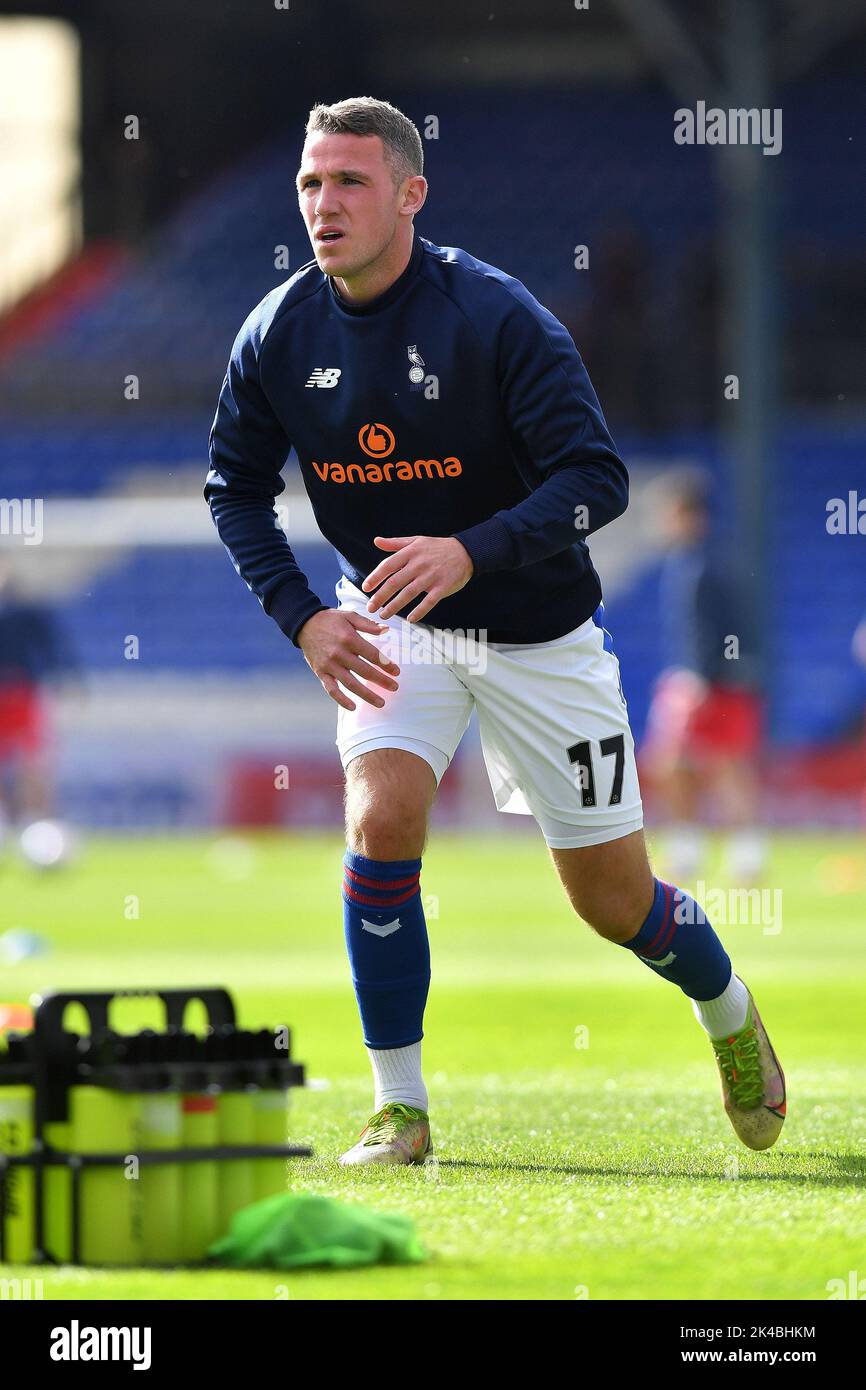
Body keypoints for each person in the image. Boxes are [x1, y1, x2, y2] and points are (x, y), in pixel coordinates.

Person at [205, 97, 785, 1164]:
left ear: (409, 196)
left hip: (536, 629)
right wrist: (303, 617)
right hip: (391, 622)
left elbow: (595, 478)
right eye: (308, 184)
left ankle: (726, 1009)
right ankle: (400, 1106)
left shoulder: (495, 314)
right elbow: (233, 488)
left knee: (611, 902)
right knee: (381, 821)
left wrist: (471, 548)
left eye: (349, 183)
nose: (323, 206)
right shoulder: (277, 329)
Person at [643, 469, 767, 882]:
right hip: (727, 681)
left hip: (706, 683)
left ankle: (695, 851)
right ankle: (741, 857)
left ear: (685, 514)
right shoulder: (718, 557)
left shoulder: (697, 564)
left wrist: (696, 679)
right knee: (718, 766)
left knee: (679, 763)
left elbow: (706, 630)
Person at [0, 558, 76, 865]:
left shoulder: (26, 612)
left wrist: (68, 682)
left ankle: (41, 829)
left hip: (22, 694)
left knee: (33, 767)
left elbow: (53, 650)